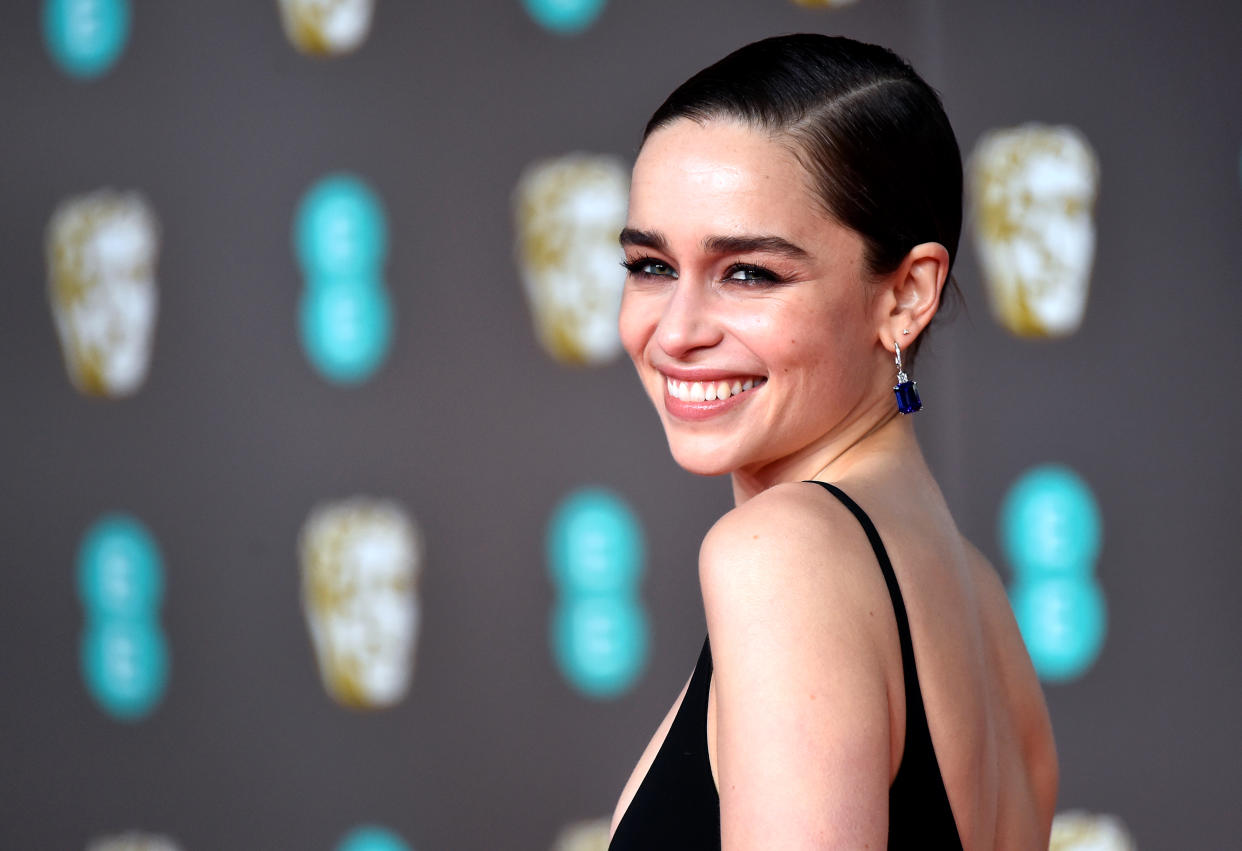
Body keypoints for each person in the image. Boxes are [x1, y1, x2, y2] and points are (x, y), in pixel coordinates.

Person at [606, 34, 1057, 850]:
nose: (674, 332)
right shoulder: (980, 598)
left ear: (906, 294)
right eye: (650, 265)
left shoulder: (783, 556)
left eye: (749, 273)